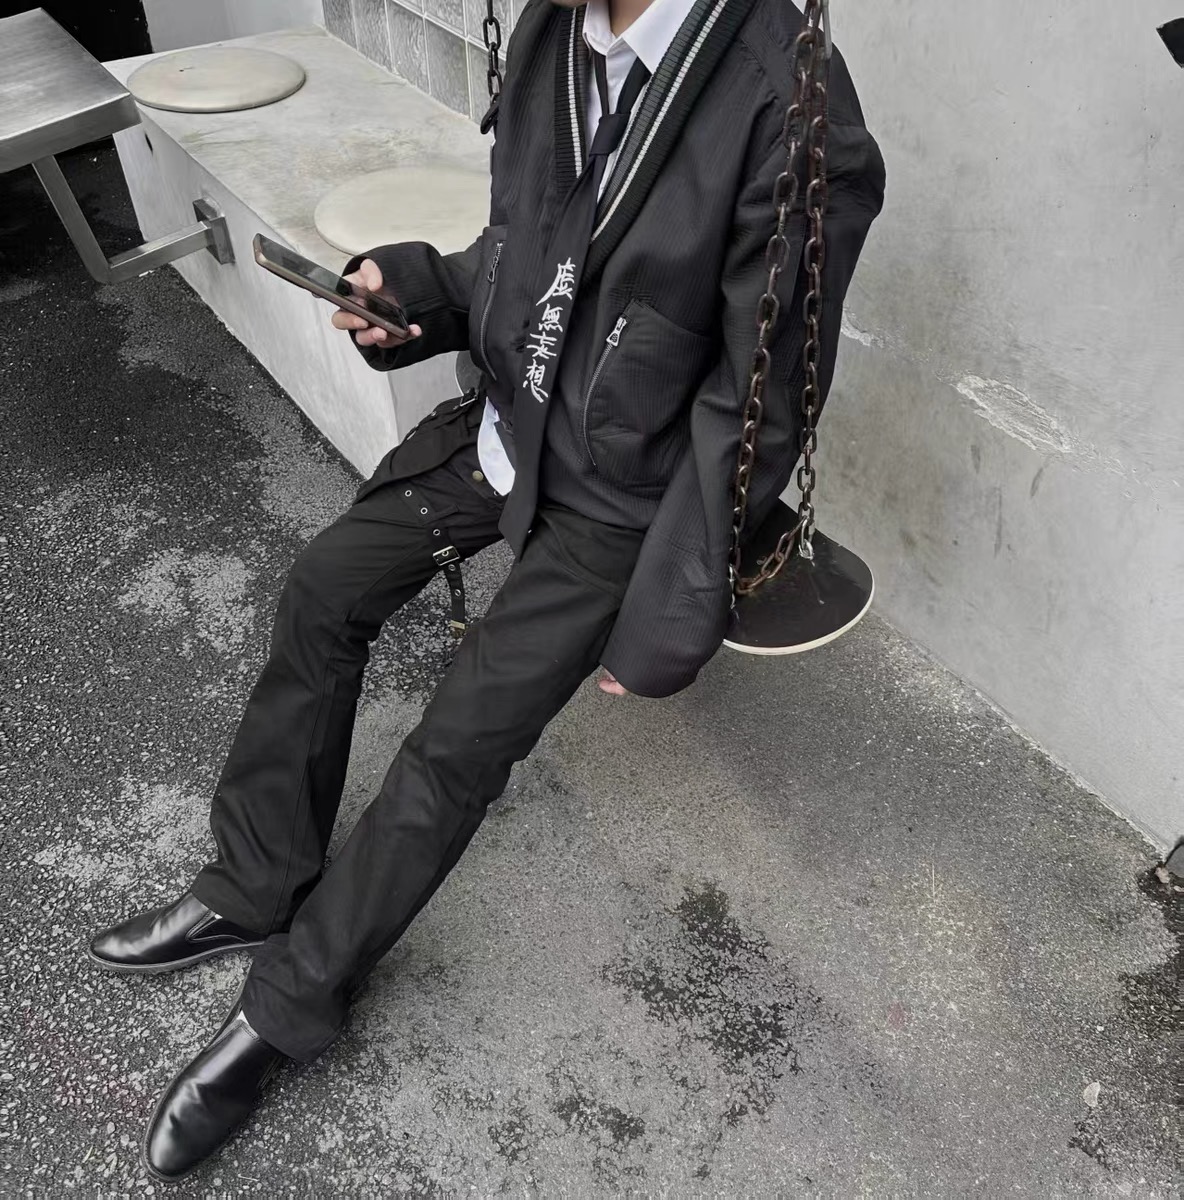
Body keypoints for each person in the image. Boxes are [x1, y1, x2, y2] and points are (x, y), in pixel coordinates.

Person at [89, 0, 884, 1181]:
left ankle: (288, 1005)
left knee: (453, 749)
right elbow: (522, 250)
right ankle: (255, 881)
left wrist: (670, 616)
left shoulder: (790, 102)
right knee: (322, 589)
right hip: (509, 425)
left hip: (616, 499)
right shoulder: (557, 32)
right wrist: (415, 290)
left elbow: (754, 407)